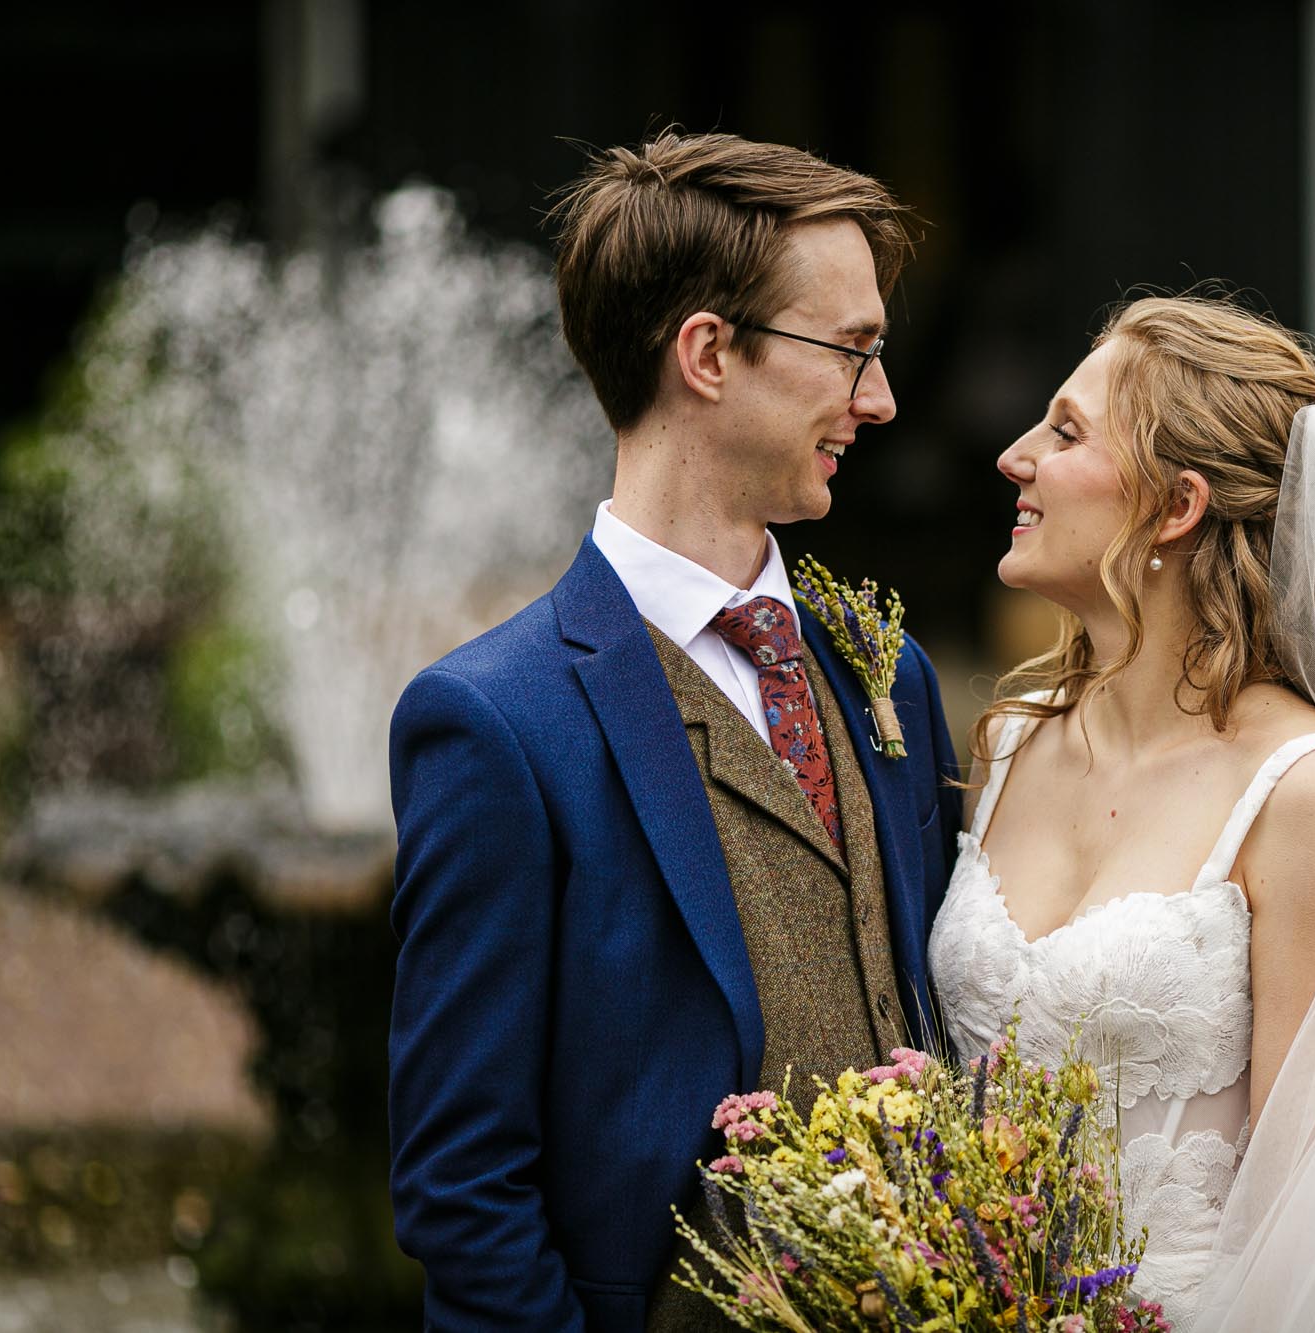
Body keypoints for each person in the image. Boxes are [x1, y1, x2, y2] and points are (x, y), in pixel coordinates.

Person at [387, 131, 963, 1332]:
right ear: (707, 351)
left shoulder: (889, 677)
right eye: (849, 350)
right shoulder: (494, 720)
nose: (880, 399)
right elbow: (462, 1184)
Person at [928, 295, 1315, 1330]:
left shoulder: (1304, 788)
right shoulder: (1008, 745)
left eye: (1064, 431)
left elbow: (1310, 1204)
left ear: (1175, 506)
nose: (1014, 456)